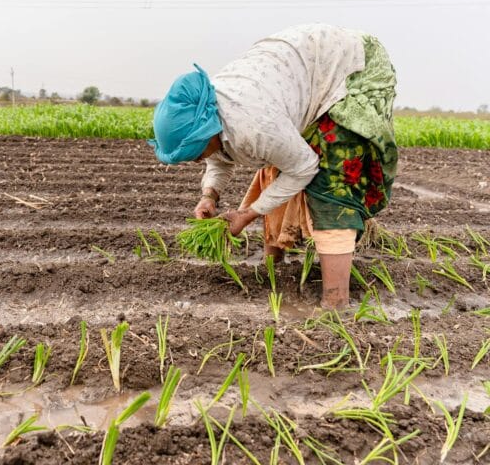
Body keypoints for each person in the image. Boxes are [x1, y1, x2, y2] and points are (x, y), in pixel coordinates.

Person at [148, 23, 398, 310]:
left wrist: (248, 213)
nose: (194, 160)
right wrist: (210, 195)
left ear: (207, 131)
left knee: (332, 186)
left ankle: (335, 302)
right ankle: (274, 267)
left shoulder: (254, 127)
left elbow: (304, 167)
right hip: (303, 69)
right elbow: (218, 154)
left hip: (352, 67)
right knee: (278, 163)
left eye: (194, 153)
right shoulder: (215, 116)